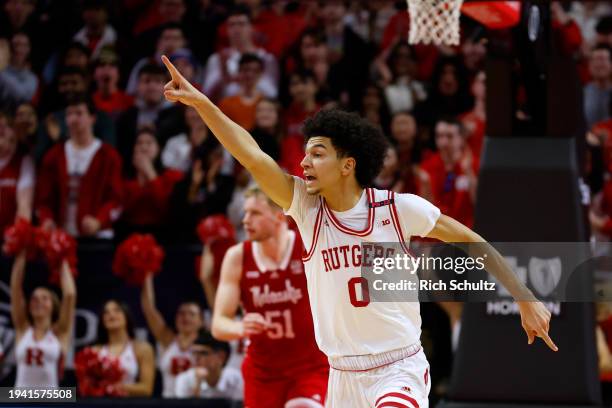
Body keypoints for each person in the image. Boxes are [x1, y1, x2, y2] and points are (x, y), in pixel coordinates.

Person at [161, 55, 557, 408]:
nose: (304, 162)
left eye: (317, 153)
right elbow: (250, 154)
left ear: (347, 165)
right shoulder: (305, 208)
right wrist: (202, 103)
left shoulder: (398, 209)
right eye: (305, 153)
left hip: (397, 367)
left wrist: (525, 298)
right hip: (341, 375)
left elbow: (472, 239)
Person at [210, 186, 329, 407]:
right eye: (245, 213)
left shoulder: (308, 247)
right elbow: (218, 324)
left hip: (310, 367)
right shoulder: (237, 257)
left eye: (255, 213)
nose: (245, 220)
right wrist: (240, 328)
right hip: (262, 372)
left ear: (279, 216)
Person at [35, 93, 123, 238]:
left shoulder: (109, 156)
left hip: (98, 237)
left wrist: (99, 221)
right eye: (69, 114)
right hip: (61, 237)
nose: (73, 119)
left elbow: (116, 200)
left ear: (92, 118)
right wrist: (47, 220)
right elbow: (43, 200)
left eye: (79, 113)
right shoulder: (54, 156)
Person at [11, 253, 76, 387]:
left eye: (44, 298)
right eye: (34, 299)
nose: (38, 302)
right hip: (20, 400)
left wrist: (61, 256)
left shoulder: (60, 333)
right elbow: (16, 287)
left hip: (50, 400)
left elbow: (69, 294)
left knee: (70, 397)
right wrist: (22, 252)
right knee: (3, 397)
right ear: (28, 307)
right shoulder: (23, 329)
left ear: (53, 305)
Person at [141, 274, 204, 398]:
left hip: (197, 403)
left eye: (191, 314)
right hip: (168, 402)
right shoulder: (167, 340)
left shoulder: (206, 345)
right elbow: (149, 308)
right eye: (181, 313)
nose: (186, 317)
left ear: (201, 321)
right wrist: (146, 274)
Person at [118, 127, 182, 240]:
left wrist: (150, 173)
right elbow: (124, 210)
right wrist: (140, 178)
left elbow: (165, 208)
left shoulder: (171, 176)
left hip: (163, 234)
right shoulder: (124, 177)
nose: (144, 147)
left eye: (149, 143)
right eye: (139, 143)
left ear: (158, 148)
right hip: (129, 233)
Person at [94, 299, 155, 396]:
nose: (111, 315)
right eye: (106, 312)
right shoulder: (95, 351)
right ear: (102, 320)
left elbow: (147, 389)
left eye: (117, 310)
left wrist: (115, 387)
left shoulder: (142, 349)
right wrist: (63, 395)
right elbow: (83, 388)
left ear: (126, 316)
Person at [174, 329, 243, 400]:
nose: (196, 358)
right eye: (194, 353)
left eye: (203, 353)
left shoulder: (237, 380)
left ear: (221, 357)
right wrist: (197, 385)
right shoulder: (184, 380)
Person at [0, 112, 34, 233]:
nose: (2, 130)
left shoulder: (23, 161)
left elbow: (24, 207)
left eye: (6, 126)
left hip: (9, 235)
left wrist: (18, 236)